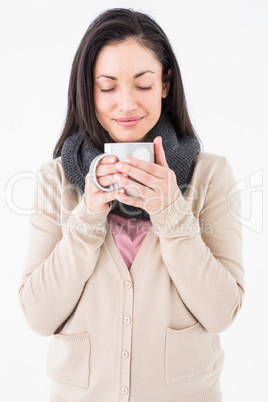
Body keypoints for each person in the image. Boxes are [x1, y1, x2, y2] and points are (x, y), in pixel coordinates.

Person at [19, 8, 244, 402]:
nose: (125, 105)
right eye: (107, 87)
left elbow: (222, 312)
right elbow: (38, 316)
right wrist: (88, 213)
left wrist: (171, 211)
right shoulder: (55, 181)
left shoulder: (211, 176)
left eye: (143, 84)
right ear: (86, 90)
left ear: (165, 84)